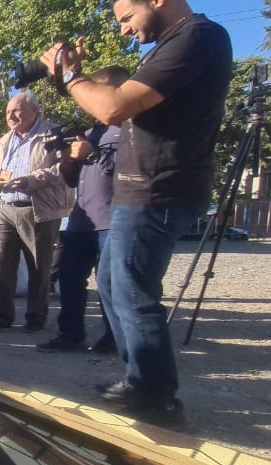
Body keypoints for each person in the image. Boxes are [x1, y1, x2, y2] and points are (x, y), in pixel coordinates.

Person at [39, 0, 233, 424]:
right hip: (138, 190)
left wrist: (72, 75)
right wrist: (67, 76)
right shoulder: (171, 45)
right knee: (112, 282)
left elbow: (112, 107)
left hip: (158, 189)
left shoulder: (198, 37)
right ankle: (140, 380)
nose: (124, 30)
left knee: (131, 287)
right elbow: (101, 103)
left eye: (126, 17)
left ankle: (156, 395)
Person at [36, 67, 132, 354]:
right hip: (81, 221)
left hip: (115, 219)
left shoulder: (131, 131)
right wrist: (67, 156)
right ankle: (71, 334)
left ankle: (114, 337)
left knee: (110, 283)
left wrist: (92, 153)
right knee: (68, 278)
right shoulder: (89, 132)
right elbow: (70, 179)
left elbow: (130, 174)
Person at [0, 93, 73, 334]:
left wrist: (33, 180)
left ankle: (36, 317)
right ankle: (1, 316)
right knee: (1, 266)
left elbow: (66, 169)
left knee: (38, 266)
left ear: (34, 111)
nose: (10, 116)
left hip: (37, 209)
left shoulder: (54, 134)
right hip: (4, 209)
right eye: (8, 111)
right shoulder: (2, 142)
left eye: (17, 111)